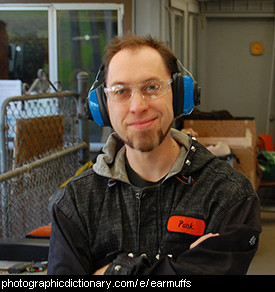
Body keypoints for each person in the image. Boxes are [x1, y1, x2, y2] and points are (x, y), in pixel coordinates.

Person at [47, 34, 261, 275]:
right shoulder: (76, 202)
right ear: (103, 106)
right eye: (121, 91)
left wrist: (110, 273)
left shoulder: (229, 196)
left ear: (179, 95)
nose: (138, 106)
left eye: (151, 87)